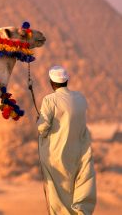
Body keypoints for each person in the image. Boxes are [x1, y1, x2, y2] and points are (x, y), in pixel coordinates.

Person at [37, 65, 96, 214]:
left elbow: (42, 128)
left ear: (51, 82)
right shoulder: (81, 98)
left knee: (58, 197)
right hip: (79, 153)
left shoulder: (49, 100)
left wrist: (39, 121)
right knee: (78, 191)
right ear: (67, 80)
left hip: (56, 156)